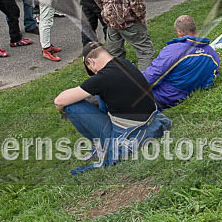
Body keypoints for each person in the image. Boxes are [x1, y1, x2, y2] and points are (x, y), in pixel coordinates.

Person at [54, 42, 171, 174]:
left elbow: (59, 101)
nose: (95, 73)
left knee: (71, 107)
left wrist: (62, 110)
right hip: (151, 121)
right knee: (99, 94)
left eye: (92, 70)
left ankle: (100, 147)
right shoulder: (126, 63)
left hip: (129, 133)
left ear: (91, 61)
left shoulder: (102, 78)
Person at [141, 15, 220, 109]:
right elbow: (211, 78)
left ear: (179, 32)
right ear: (195, 29)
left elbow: (152, 76)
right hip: (187, 94)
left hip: (164, 98)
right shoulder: (212, 53)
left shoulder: (174, 51)